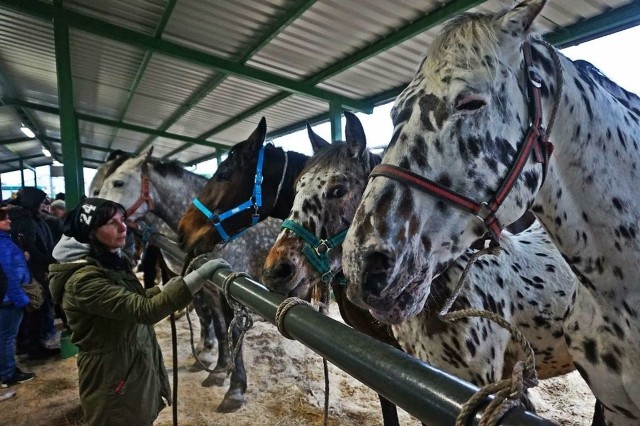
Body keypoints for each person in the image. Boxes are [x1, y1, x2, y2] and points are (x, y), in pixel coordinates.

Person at [49, 198, 230, 426]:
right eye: (111, 223)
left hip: (128, 365)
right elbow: (144, 310)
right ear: (91, 233)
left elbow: (134, 299)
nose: (123, 227)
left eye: (122, 220)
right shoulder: (83, 280)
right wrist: (199, 277)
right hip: (113, 376)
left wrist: (171, 286)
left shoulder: (107, 260)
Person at [8, 187, 59, 359]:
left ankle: (25, 344)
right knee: (37, 307)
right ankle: (34, 347)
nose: (43, 205)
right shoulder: (27, 221)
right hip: (32, 272)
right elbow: (32, 249)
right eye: (40, 202)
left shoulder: (20, 218)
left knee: (29, 310)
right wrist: (50, 261)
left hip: (25, 271)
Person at [0, 207, 35, 389]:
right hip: (9, 298)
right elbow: (7, 276)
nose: (9, 221)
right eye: (4, 219)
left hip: (7, 296)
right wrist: (21, 299)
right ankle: (8, 374)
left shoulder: (5, 241)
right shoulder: (2, 244)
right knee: (7, 337)